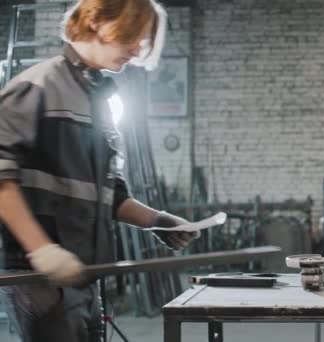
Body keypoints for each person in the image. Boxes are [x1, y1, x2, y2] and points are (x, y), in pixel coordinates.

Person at [0, 1, 198, 341]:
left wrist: (157, 221)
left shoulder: (98, 98)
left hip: (85, 274)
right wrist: (41, 250)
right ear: (98, 22)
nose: (137, 50)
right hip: (41, 279)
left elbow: (109, 193)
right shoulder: (39, 86)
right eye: (133, 36)